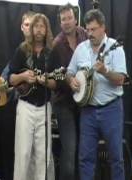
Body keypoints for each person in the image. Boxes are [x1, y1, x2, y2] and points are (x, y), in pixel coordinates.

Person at [67, 9, 127, 180]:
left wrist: (106, 71)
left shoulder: (115, 48)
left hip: (111, 108)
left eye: (94, 29)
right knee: (85, 159)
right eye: (88, 30)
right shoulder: (81, 49)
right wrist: (71, 81)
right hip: (88, 110)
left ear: (103, 28)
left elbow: (120, 79)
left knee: (116, 158)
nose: (90, 33)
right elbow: (69, 72)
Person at [7, 13, 57, 180]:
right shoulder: (22, 50)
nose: (39, 30)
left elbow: (57, 83)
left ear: (46, 29)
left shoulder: (51, 53)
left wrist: (45, 82)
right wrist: (24, 77)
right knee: (23, 153)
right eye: (36, 26)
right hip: (25, 106)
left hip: (44, 107)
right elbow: (11, 79)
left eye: (42, 26)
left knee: (43, 156)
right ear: (32, 28)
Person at [51, 3, 87, 180]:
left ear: (75, 19)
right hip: (64, 103)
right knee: (70, 149)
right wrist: (67, 80)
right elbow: (54, 75)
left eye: (69, 18)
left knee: (84, 148)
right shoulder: (56, 44)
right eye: (63, 19)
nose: (66, 22)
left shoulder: (84, 35)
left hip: (85, 101)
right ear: (60, 22)